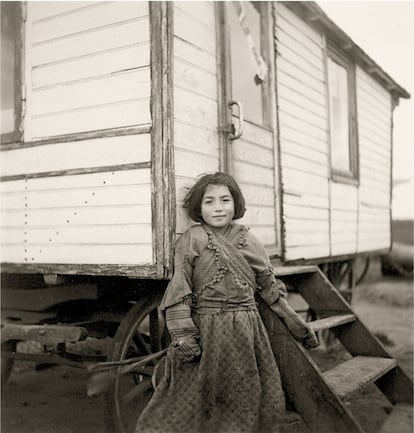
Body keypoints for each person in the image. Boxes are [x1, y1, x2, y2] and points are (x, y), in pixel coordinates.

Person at [136, 172, 318, 433]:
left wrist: (298, 326)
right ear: (199, 207)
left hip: (246, 332)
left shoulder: (249, 240)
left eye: (225, 200)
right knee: (195, 396)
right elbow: (180, 286)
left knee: (244, 394)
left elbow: (269, 289)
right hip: (206, 329)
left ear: (236, 205)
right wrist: (184, 334)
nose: (218, 208)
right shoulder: (192, 238)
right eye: (209, 202)